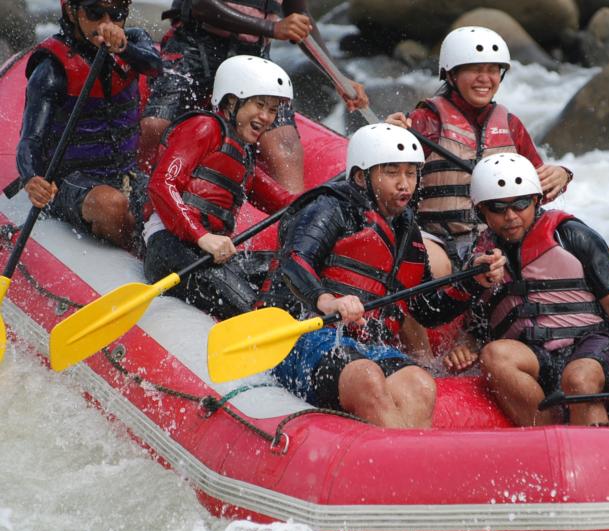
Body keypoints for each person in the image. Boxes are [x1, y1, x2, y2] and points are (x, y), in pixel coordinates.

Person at [260, 123, 506, 428]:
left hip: (369, 345)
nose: (405, 184)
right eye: (392, 172)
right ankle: (406, 464)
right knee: (366, 378)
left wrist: (471, 281)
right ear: (363, 176)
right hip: (300, 336)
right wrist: (327, 301)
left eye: (411, 173)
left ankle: (415, 465)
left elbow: (425, 309)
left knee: (420, 383)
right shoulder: (330, 207)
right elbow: (295, 262)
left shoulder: (406, 230)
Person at [445, 153, 609, 426]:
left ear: (537, 200)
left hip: (594, 348)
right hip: (536, 360)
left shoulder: (571, 235)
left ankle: (593, 446)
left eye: (521, 203)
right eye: (498, 208)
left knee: (578, 379)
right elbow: (474, 324)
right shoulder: (479, 259)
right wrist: (465, 345)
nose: (511, 216)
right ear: (481, 210)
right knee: (495, 354)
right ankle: (548, 433)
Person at [387, 26, 573, 278]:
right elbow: (384, 182)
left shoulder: (510, 125)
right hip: (435, 238)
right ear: (451, 75)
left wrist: (563, 175)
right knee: (431, 264)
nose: (485, 79)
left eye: (493, 70)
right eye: (475, 69)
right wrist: (388, 138)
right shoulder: (424, 121)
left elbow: (536, 194)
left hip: (497, 239)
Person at [138, 0, 369, 193]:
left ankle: (292, 223)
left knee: (284, 145)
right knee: (156, 124)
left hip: (253, 55)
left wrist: (335, 76)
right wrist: (272, 29)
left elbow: (299, 14)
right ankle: (141, 194)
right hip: (194, 44)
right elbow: (200, 5)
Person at [142, 55, 296, 319]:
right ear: (232, 101)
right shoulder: (204, 127)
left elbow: (286, 202)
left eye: (272, 109)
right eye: (260, 105)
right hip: (169, 247)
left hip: (207, 253)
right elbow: (161, 183)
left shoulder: (242, 155)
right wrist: (202, 236)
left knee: (288, 273)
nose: (267, 117)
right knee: (251, 311)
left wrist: (344, 187)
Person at [16, 0, 161, 250]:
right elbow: (30, 140)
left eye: (116, 13)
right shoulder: (51, 70)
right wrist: (31, 178)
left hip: (125, 173)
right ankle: (146, 253)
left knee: (171, 196)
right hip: (70, 182)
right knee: (111, 206)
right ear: (72, 12)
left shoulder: (134, 42)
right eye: (95, 13)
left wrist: (123, 49)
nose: (106, 23)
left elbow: (155, 66)